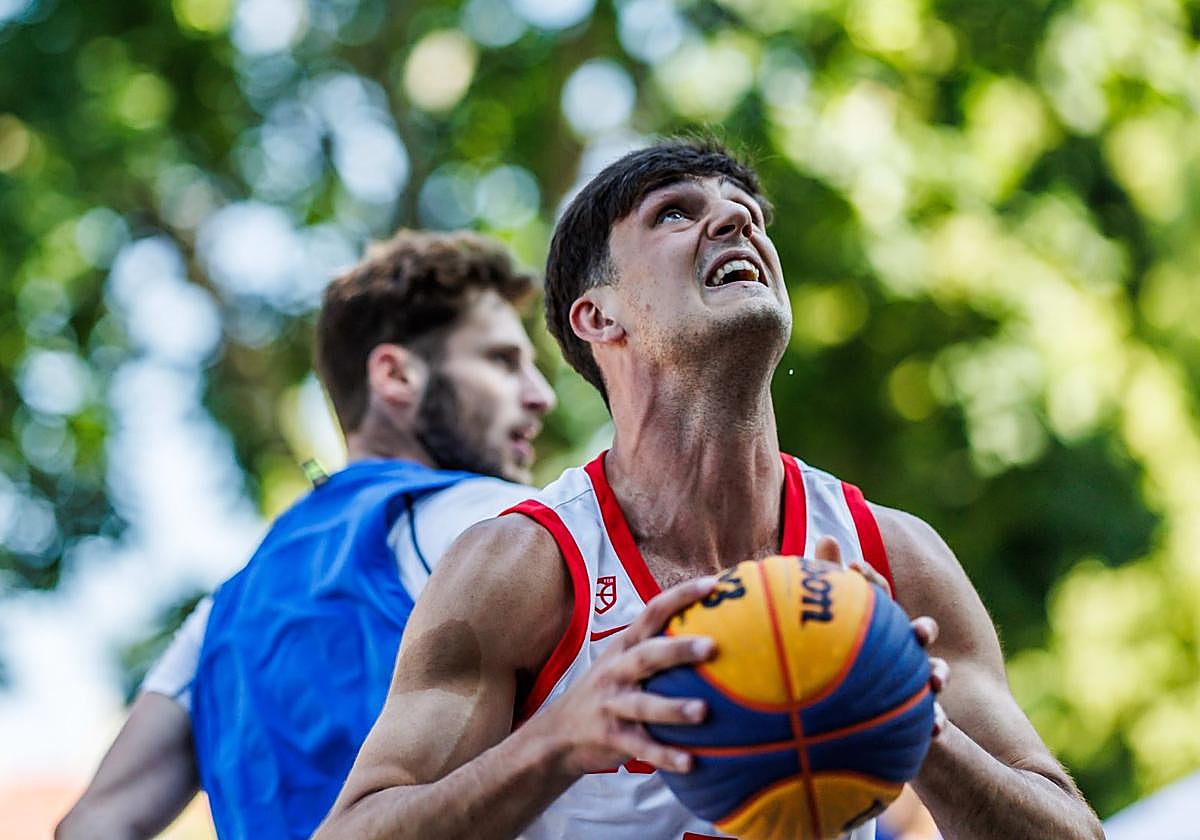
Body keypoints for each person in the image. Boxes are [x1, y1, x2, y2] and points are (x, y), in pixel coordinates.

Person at [316, 139, 1105, 840]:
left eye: (746, 212)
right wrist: (556, 742)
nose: (736, 224)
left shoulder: (891, 556)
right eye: (674, 214)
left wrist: (912, 719)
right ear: (598, 316)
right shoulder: (523, 566)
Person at [56, 229, 555, 839]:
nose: (541, 396)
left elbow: (95, 822)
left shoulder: (221, 614)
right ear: (397, 376)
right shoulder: (495, 521)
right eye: (502, 361)